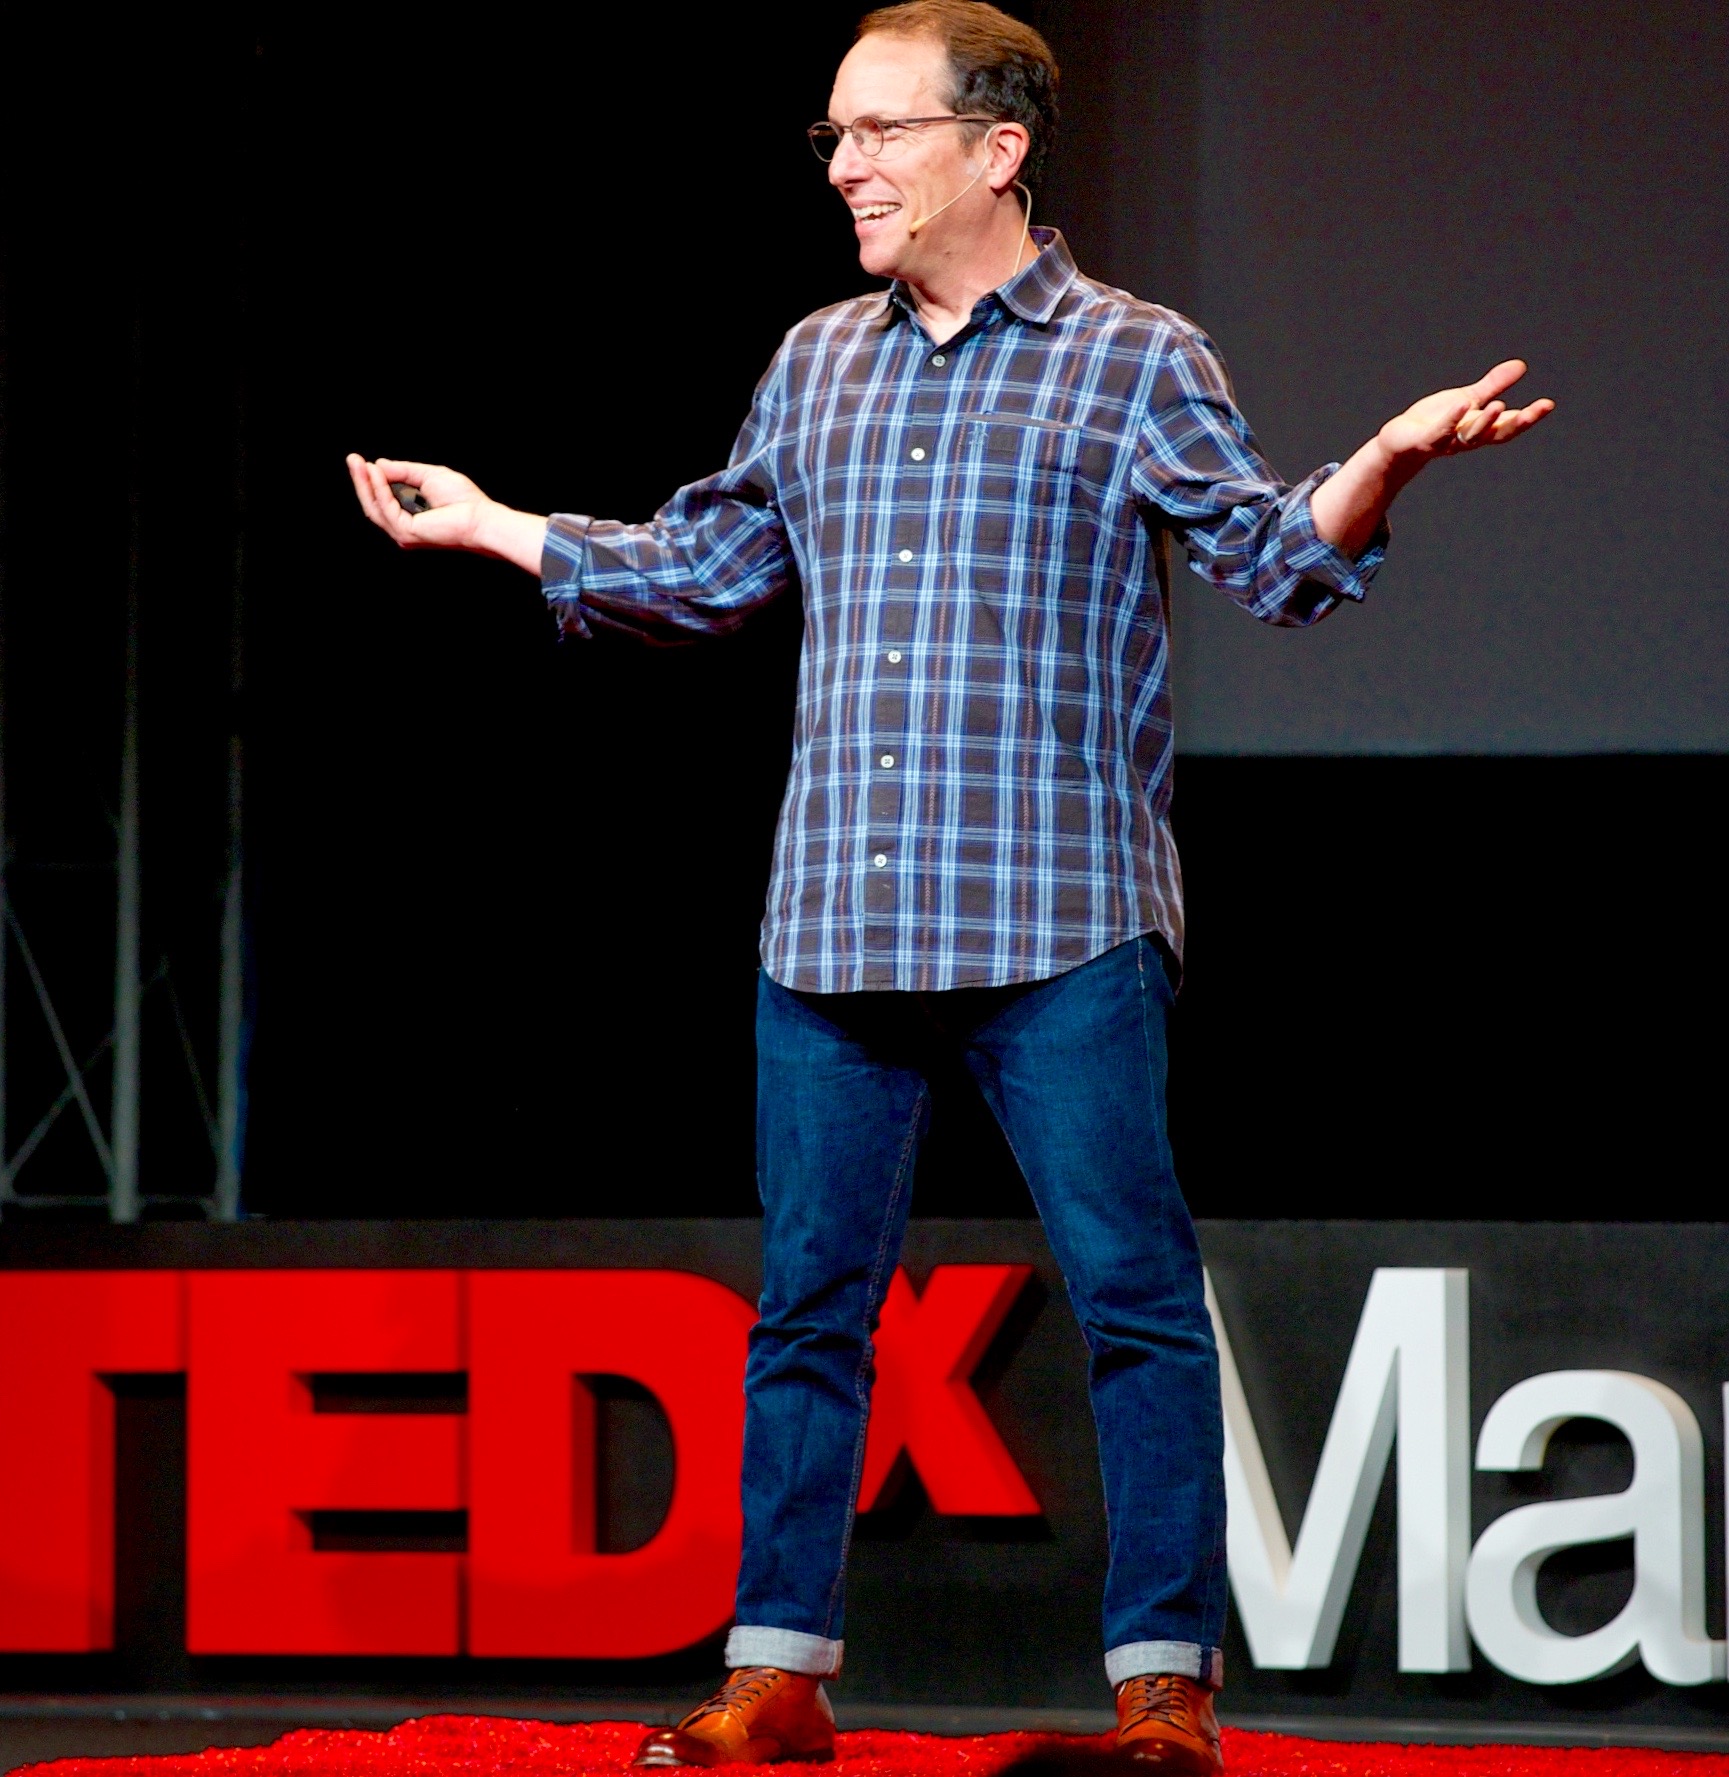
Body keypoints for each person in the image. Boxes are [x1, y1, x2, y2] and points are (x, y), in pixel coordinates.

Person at [348, 4, 1551, 1770]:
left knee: (1132, 1304)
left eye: (878, 131)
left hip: (1059, 917)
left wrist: (1380, 463)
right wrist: (504, 527)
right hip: (834, 917)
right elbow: (704, 567)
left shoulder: (1134, 356)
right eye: (832, 137)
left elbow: (1275, 563)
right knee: (808, 1309)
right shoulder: (815, 358)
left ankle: (1162, 1684)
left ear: (996, 148)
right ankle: (778, 1674)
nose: (844, 166)